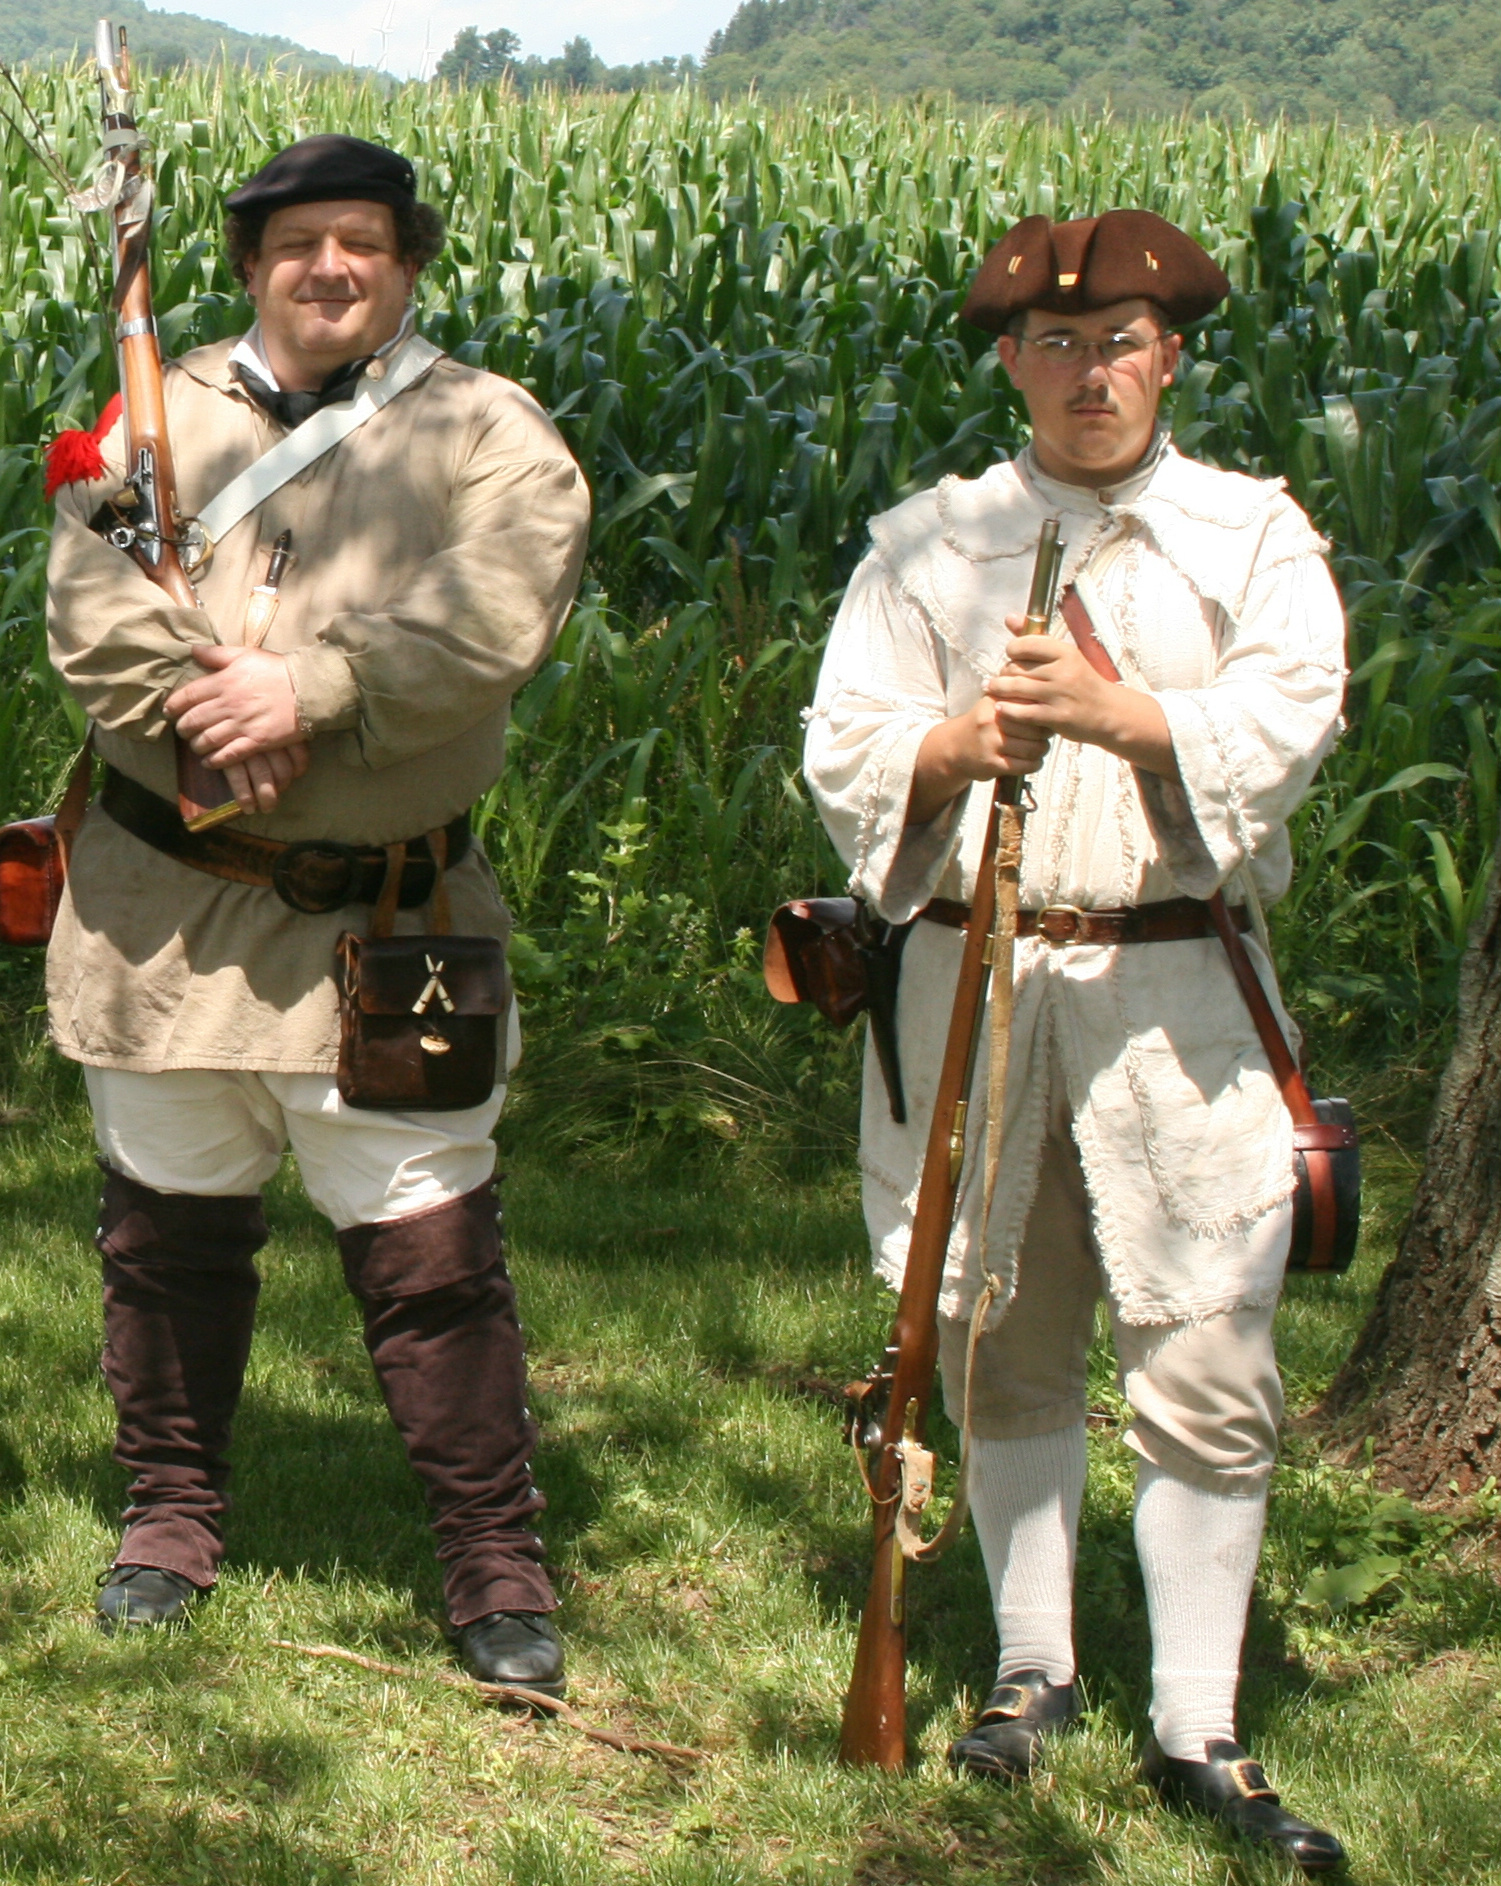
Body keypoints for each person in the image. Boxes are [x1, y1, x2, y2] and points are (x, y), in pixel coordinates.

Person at [803, 210, 1347, 1870]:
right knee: (997, 1327)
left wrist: (1131, 720)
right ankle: (1028, 1667)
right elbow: (843, 743)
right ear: (1008, 361)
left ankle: (1197, 1718)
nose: (1085, 369)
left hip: (1173, 996)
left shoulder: (1246, 535)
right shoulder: (929, 540)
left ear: (1168, 353)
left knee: (1201, 1351)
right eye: (1052, 344)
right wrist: (956, 741)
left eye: (1117, 339)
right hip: (974, 977)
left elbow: (1294, 704)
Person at [45, 134, 589, 1694]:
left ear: (407, 263)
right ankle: (167, 1520)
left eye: (363, 240)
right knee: (166, 1237)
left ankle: (494, 1565)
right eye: (299, 243)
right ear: (253, 264)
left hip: (386, 922)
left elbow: (499, 604)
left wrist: (318, 687)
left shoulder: (491, 431)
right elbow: (86, 600)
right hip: (164, 909)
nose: (330, 266)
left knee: (431, 1256)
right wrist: (223, 713)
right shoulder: (149, 414)